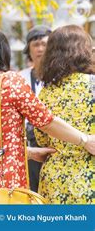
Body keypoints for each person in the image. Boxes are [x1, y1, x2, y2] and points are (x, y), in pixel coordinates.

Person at [0, 24, 95, 204]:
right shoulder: (8, 81)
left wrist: (27, 152)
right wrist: (84, 139)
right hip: (4, 184)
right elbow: (45, 121)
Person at [35, 25, 94, 203]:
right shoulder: (92, 84)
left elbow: (42, 139)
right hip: (89, 174)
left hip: (55, 179)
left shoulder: (45, 92)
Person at [19, 25, 51, 192]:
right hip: (29, 142)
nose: (40, 49)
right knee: (31, 189)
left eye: (44, 44)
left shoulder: (60, 77)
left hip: (54, 140)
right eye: (35, 45)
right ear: (28, 50)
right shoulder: (20, 77)